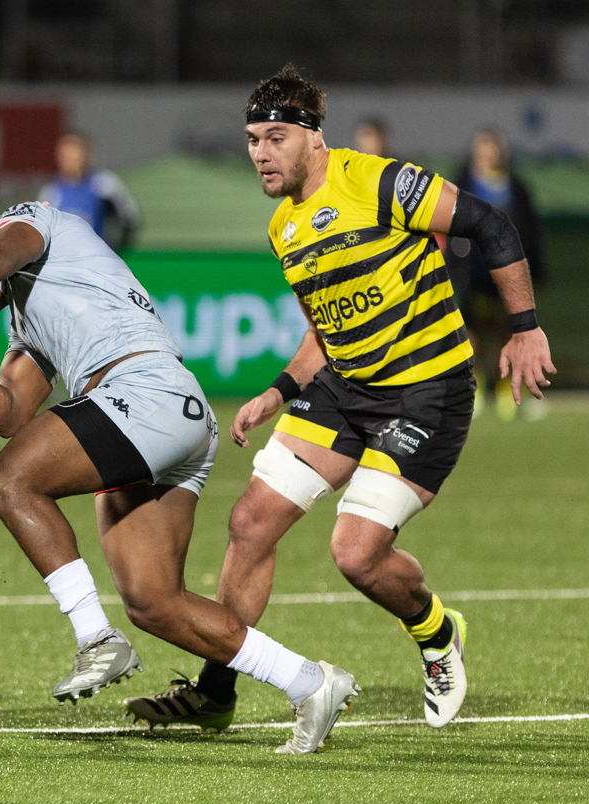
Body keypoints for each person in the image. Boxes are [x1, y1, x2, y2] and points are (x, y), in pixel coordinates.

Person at [125, 64, 555, 733]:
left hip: (425, 393)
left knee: (356, 553)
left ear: (314, 138)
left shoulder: (376, 182)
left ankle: (437, 631)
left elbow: (491, 225)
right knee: (250, 522)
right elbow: (322, 335)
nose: (261, 153)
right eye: (252, 140)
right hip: (346, 388)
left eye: (275, 138)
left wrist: (524, 327)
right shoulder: (285, 228)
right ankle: (216, 691)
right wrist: (277, 392)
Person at [0, 201, 359, 753]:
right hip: (170, 413)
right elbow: (10, 414)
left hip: (143, 394)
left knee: (11, 481)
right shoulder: (25, 320)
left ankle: (94, 637)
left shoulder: (29, 223)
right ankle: (310, 683)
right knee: (154, 602)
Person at [448, 127, 548, 421]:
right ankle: (475, 390)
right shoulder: (462, 184)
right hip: (472, 274)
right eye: (485, 146)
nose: (491, 152)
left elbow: (530, 232)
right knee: (472, 334)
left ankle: (508, 390)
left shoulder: (517, 187)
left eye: (495, 146)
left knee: (510, 331)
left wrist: (535, 268)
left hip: (507, 275)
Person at [38, 133, 139, 251]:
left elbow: (129, 218)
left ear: (86, 155)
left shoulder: (104, 184)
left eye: (74, 156)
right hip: (65, 257)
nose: (70, 161)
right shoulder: (51, 191)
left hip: (98, 256)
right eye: (66, 156)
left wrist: (115, 249)